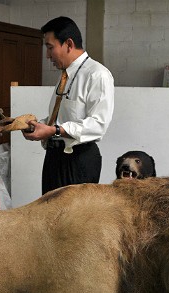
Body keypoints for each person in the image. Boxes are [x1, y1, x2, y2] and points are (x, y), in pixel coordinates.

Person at [22, 16, 115, 195]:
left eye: (50, 48)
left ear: (69, 44)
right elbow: (61, 118)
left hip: (78, 161)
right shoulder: (66, 75)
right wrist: (37, 125)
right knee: (50, 216)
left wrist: (54, 131)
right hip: (54, 157)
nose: (48, 56)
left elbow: (98, 124)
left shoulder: (98, 74)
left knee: (75, 221)